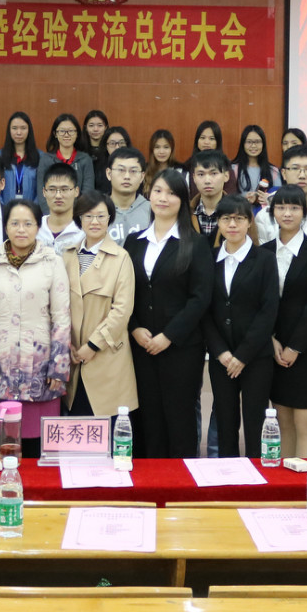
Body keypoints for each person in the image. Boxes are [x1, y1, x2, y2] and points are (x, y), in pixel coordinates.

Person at [0, 199, 73, 458]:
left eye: (28, 224)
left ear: (38, 227)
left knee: (38, 447)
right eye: (15, 223)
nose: (21, 229)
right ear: (5, 226)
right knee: (3, 442)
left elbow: (61, 317)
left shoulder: (52, 262)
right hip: (1, 364)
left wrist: (59, 366)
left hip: (40, 365)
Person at [126, 168, 212, 457]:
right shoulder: (134, 242)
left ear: (182, 200)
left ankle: (181, 479)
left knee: (179, 418)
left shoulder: (196, 243)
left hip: (181, 348)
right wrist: (134, 328)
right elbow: (124, 294)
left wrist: (169, 336)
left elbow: (200, 298)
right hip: (141, 346)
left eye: (172, 193)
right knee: (147, 417)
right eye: (158, 191)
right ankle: (147, 479)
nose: (163, 198)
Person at [262, 185, 307, 459]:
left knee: (305, 422)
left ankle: (305, 477)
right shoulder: (264, 251)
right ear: (273, 212)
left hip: (306, 350)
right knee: (283, 422)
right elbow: (259, 302)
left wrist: (295, 347)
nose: (287, 213)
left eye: (294, 207)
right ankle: (285, 479)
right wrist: (271, 340)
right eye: (281, 207)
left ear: (304, 212)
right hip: (273, 348)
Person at [206, 195, 279, 457]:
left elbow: (268, 310)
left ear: (249, 222)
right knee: (225, 420)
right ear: (219, 223)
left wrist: (242, 355)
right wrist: (220, 352)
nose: (232, 224)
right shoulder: (210, 258)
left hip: (256, 356)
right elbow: (204, 310)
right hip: (221, 357)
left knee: (255, 419)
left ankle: (257, 473)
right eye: (226, 218)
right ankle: (227, 473)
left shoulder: (265, 259)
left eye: (239, 218)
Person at [65, 191, 138, 418]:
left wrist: (93, 345)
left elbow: (122, 310)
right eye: (88, 216)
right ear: (79, 219)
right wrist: (67, 343)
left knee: (109, 425)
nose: (94, 222)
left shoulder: (121, 258)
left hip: (106, 355)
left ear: (109, 218)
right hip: (72, 356)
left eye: (100, 216)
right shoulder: (67, 256)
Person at [255, 145, 307, 250]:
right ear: (284, 173)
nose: (302, 175)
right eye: (295, 168)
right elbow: (261, 256)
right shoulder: (265, 215)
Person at [36, 113, 95, 199]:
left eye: (71, 131)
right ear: (55, 134)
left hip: (79, 207)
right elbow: (42, 193)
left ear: (77, 134)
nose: (66, 135)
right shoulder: (46, 159)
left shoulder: (85, 159)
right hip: (51, 207)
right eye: (62, 131)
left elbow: (87, 193)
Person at [105, 147, 153, 245]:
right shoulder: (96, 210)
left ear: (142, 177)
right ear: (109, 174)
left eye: (133, 171)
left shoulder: (153, 210)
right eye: (121, 170)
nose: (127, 176)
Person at [231, 124, 282, 212]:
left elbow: (280, 198)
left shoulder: (273, 171)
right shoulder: (233, 169)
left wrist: (265, 198)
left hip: (265, 217)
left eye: (257, 142)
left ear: (263, 144)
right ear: (243, 144)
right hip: (239, 214)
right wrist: (244, 197)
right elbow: (227, 196)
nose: (253, 146)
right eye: (249, 142)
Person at [38, 162, 84, 251]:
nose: (58, 195)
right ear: (44, 192)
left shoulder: (84, 231)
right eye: (52, 189)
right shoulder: (35, 228)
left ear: (76, 191)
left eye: (64, 189)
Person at [0, 111, 41, 206]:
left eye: (23, 128)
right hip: (4, 210)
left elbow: (43, 188)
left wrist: (33, 209)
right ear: (9, 130)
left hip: (33, 209)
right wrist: (2, 209)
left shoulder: (40, 157)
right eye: (14, 128)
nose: (19, 132)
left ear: (29, 130)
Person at [189, 150, 232, 241]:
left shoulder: (240, 211)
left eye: (214, 173)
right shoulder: (185, 212)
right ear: (194, 178)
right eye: (201, 174)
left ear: (226, 176)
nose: (207, 181)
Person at [94, 126, 131, 194]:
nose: (117, 147)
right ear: (106, 146)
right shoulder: (96, 167)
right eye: (112, 143)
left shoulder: (134, 166)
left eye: (121, 143)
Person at [142, 130, 177, 197]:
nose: (161, 152)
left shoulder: (180, 171)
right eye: (157, 147)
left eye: (166, 147)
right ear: (152, 150)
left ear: (172, 149)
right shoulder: (144, 170)